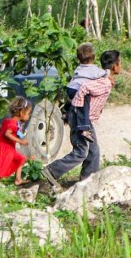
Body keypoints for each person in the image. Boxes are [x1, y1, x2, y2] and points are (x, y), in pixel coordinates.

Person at [42, 50, 121, 190]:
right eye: (120, 64)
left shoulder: (101, 78)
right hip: (81, 118)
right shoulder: (104, 83)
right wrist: (77, 116)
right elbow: (83, 88)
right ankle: (51, 171)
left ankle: (88, 181)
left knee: (93, 151)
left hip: (84, 118)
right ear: (115, 66)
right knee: (81, 152)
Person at [0, 96, 32, 185]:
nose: (29, 116)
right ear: (21, 113)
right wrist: (21, 141)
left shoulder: (9, 121)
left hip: (4, 147)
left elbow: (1, 131)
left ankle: (18, 179)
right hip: (4, 148)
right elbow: (7, 134)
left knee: (20, 159)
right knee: (1, 167)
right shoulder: (13, 124)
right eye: (28, 113)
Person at [66, 43, 109, 142]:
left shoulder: (79, 67)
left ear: (78, 58)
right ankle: (84, 128)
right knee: (84, 105)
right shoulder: (94, 69)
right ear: (94, 57)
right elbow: (103, 74)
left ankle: (66, 112)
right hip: (79, 89)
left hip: (70, 88)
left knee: (74, 102)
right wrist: (108, 72)